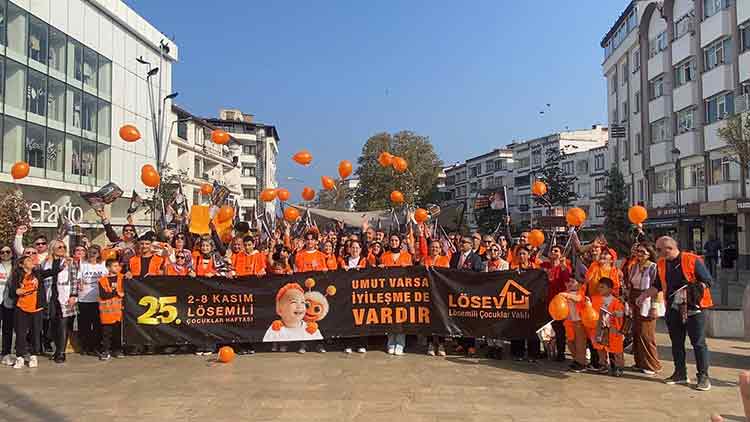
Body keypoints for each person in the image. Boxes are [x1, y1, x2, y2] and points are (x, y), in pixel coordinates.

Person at [638, 236, 713, 391]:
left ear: (670, 248)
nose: (657, 252)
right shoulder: (661, 263)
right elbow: (657, 285)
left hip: (695, 308)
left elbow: (708, 281)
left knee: (698, 343)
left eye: (659, 249)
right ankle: (680, 373)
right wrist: (644, 295)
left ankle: (703, 376)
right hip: (673, 308)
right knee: (677, 342)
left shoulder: (692, 259)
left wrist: (692, 289)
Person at [9, 255, 61, 369]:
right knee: (21, 334)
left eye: (32, 260)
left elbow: (51, 272)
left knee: (36, 333)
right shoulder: (17, 275)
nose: (31, 261)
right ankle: (20, 357)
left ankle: (33, 356)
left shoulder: (38, 273)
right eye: (28, 260)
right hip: (21, 308)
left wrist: (62, 264)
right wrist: (17, 291)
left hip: (36, 308)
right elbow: (12, 291)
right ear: (21, 265)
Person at [627, 242, 662, 375]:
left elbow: (657, 288)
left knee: (646, 333)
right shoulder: (634, 266)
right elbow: (630, 285)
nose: (639, 254)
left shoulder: (653, 267)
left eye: (643, 252)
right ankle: (640, 362)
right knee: (636, 332)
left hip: (648, 300)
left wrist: (654, 306)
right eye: (638, 251)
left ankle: (652, 364)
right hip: (635, 299)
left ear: (649, 253)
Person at [450, 236, 484, 356]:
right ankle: (461, 343)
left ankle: (470, 345)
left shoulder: (476, 258)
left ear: (471, 244)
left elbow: (479, 274)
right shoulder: (455, 256)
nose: (462, 244)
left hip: (470, 292)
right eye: (461, 242)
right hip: (456, 291)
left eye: (464, 242)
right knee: (459, 317)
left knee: (469, 318)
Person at [380, 234, 412, 355]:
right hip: (388, 292)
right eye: (392, 240)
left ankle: (400, 343)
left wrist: (408, 268)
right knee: (389, 316)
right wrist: (380, 268)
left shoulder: (407, 256)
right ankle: (391, 342)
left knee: (401, 316)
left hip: (402, 292)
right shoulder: (384, 256)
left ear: (400, 242)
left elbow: (412, 273)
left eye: (396, 240)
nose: (394, 242)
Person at [46, 241, 77, 363]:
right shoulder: (46, 262)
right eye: (59, 247)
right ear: (52, 248)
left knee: (63, 324)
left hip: (65, 295)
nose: (62, 248)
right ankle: (57, 349)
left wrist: (73, 295)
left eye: (64, 247)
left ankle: (61, 352)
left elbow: (74, 279)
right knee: (53, 323)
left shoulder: (69, 261)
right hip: (51, 296)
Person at [510, 246, 541, 361]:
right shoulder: (513, 268)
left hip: (532, 302)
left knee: (532, 328)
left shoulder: (535, 267)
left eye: (524, 254)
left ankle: (533, 354)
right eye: (520, 254)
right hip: (517, 301)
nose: (522, 256)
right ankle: (518, 353)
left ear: (528, 255)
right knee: (517, 327)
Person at [76, 245, 108, 356]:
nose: (92, 254)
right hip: (84, 298)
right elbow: (78, 278)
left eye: (95, 252)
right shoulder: (82, 264)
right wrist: (79, 283)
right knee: (85, 324)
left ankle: (96, 346)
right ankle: (85, 346)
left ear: (99, 254)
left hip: (98, 298)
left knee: (97, 324)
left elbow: (107, 277)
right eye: (90, 252)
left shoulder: (102, 265)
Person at [590, 277, 625, 377]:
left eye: (602, 287)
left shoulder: (616, 301)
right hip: (600, 328)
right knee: (600, 347)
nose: (599, 289)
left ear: (610, 289)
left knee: (616, 349)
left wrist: (617, 313)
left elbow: (622, 313)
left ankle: (618, 367)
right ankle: (603, 364)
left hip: (613, 328)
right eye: (599, 287)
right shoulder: (595, 299)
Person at [541, 245, 570, 362]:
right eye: (552, 250)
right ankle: (547, 350)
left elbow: (567, 281)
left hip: (559, 305)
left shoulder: (564, 267)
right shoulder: (544, 266)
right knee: (544, 327)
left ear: (561, 254)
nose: (553, 252)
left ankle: (561, 353)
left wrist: (563, 267)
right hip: (546, 302)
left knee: (559, 329)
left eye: (556, 251)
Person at [423, 240, 450, 356]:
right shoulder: (425, 259)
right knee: (429, 318)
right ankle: (430, 343)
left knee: (441, 318)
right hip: (427, 293)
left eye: (437, 247)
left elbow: (447, 276)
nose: (434, 249)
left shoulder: (445, 260)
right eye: (432, 247)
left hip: (440, 294)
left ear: (440, 249)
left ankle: (441, 344)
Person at [341, 240, 368, 354]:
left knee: (361, 319)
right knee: (348, 319)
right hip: (347, 294)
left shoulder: (365, 260)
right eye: (353, 247)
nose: (355, 250)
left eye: (357, 248)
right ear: (349, 249)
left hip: (361, 295)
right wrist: (343, 271)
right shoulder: (343, 260)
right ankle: (348, 344)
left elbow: (371, 274)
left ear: (360, 249)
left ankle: (361, 344)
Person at [98, 259, 125, 360]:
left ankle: (117, 350)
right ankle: (105, 351)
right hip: (107, 312)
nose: (117, 268)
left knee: (118, 332)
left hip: (119, 311)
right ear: (108, 267)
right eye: (115, 266)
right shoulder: (102, 280)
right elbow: (103, 295)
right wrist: (116, 293)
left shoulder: (123, 278)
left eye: (118, 266)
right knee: (106, 333)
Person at [0, 245, 15, 365]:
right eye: (2, 252)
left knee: (7, 329)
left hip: (9, 302)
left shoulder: (16, 267)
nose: (5, 254)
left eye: (7, 251)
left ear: (12, 253)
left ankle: (6, 353)